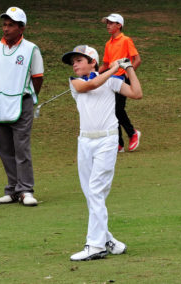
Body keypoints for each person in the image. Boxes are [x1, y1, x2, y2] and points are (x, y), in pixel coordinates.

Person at [61, 45, 143, 261]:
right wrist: (114, 68)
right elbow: (91, 85)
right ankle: (107, 240)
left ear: (92, 62)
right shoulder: (75, 82)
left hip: (107, 140)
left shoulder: (113, 81)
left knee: (96, 191)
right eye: (73, 62)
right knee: (90, 194)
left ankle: (95, 245)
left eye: (79, 60)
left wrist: (127, 69)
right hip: (85, 141)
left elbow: (137, 93)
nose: (75, 64)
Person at [0, 7, 44, 206]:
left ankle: (26, 189)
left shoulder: (31, 49)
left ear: (22, 28)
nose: (6, 29)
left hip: (22, 102)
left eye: (11, 25)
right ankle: (12, 190)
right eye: (4, 24)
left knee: (21, 148)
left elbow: (37, 78)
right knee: (4, 149)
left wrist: (28, 97)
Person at [99, 13, 142, 153]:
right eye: (108, 23)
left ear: (119, 25)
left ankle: (132, 133)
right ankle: (119, 144)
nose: (108, 25)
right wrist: (93, 75)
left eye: (111, 23)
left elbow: (137, 60)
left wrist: (128, 74)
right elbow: (105, 64)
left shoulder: (125, 40)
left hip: (122, 80)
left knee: (117, 109)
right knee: (111, 110)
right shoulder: (108, 43)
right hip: (110, 80)